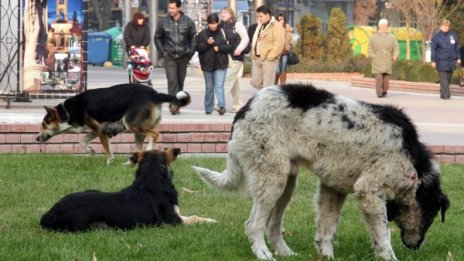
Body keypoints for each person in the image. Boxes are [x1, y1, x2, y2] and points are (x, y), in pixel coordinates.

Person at [154, 0, 197, 115]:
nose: (170, 10)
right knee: (172, 81)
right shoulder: (163, 22)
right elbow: (157, 38)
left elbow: (194, 38)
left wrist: (190, 53)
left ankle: (177, 104)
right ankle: (174, 104)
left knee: (180, 82)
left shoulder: (188, 22)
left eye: (173, 8)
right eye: (169, 8)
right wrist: (163, 52)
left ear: (179, 8)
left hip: (183, 56)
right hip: (169, 56)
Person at [197, 13, 235, 115]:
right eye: (210, 23)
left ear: (217, 23)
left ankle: (222, 106)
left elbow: (231, 46)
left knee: (219, 86)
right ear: (208, 24)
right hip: (207, 64)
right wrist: (207, 43)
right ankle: (208, 108)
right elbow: (198, 48)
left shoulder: (224, 32)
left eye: (214, 23)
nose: (212, 25)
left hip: (220, 63)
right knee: (209, 87)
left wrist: (220, 48)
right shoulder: (202, 34)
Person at [219, 7, 249, 113]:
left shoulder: (237, 24)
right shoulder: (220, 26)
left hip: (236, 57)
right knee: (233, 83)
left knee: (227, 80)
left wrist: (239, 49)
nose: (223, 14)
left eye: (226, 12)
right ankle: (238, 106)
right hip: (225, 57)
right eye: (222, 12)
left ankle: (218, 103)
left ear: (231, 14)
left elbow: (246, 38)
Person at [250, 6, 285, 89]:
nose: (258, 18)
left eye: (260, 16)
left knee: (267, 85)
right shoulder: (260, 25)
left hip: (269, 59)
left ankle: (266, 99)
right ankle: (265, 96)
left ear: (267, 15)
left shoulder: (276, 26)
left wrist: (271, 56)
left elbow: (279, 43)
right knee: (255, 83)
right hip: (257, 58)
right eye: (257, 16)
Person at [367, 18, 399, 98]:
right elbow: (369, 48)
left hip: (388, 59)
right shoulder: (373, 37)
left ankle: (385, 90)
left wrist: (395, 55)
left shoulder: (392, 37)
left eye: (386, 26)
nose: (384, 28)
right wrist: (373, 56)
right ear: (379, 27)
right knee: (378, 76)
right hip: (377, 59)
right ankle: (379, 92)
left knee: (386, 77)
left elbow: (396, 47)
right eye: (383, 26)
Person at [431, 19, 461, 99]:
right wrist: (433, 61)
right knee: (444, 80)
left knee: (448, 79)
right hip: (441, 61)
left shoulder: (453, 35)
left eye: (447, 26)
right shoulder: (436, 37)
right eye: (444, 26)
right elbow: (433, 49)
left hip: (451, 61)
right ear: (441, 26)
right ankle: (446, 95)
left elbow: (456, 47)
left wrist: (458, 57)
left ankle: (442, 91)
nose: (445, 28)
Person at [275, 14, 293, 85]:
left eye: (282, 19)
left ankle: (283, 84)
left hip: (285, 51)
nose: (281, 21)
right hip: (277, 51)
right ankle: (275, 83)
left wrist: (291, 43)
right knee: (277, 69)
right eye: (280, 19)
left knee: (284, 68)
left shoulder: (288, 27)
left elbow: (290, 37)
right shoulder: (275, 27)